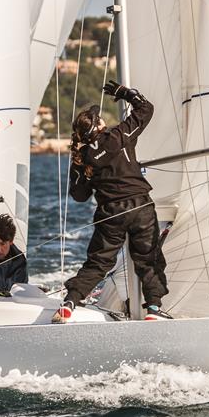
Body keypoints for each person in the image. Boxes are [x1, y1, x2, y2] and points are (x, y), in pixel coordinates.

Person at [53, 81, 170, 324]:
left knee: (98, 263)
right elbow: (145, 109)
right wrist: (125, 94)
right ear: (98, 126)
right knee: (148, 259)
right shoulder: (118, 135)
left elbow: (80, 195)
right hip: (139, 206)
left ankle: (70, 302)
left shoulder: (82, 158)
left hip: (110, 214)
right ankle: (154, 310)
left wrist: (82, 170)